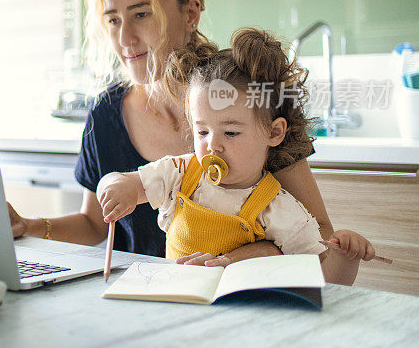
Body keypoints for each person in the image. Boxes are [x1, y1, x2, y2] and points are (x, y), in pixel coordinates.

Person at [9, 0, 335, 265]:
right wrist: (28, 226)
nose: (125, 38)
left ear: (191, 13)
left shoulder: (249, 96)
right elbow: (94, 223)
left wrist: (244, 257)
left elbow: (318, 232)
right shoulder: (106, 114)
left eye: (141, 14)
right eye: (113, 20)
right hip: (146, 301)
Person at [95, 27, 373, 284]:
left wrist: (347, 258)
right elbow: (131, 183)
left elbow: (325, 279)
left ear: (274, 133)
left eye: (230, 133)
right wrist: (115, 186)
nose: (212, 146)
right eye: (202, 132)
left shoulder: (276, 207)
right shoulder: (181, 172)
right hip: (179, 304)